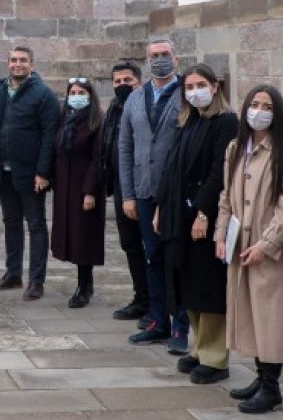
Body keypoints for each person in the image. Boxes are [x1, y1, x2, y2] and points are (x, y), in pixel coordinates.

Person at [214, 84, 283, 414]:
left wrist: (267, 244)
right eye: (254, 104)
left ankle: (271, 387)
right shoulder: (235, 148)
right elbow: (226, 196)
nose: (259, 111)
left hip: (271, 247)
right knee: (251, 316)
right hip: (240, 243)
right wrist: (220, 235)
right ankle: (261, 377)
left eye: (267, 107)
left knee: (272, 318)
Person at [155, 63, 237, 385]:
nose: (194, 92)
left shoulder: (225, 122)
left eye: (200, 85)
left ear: (214, 87)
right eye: (189, 87)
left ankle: (215, 358)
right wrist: (161, 206)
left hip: (205, 215)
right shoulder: (188, 120)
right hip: (179, 215)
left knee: (208, 286)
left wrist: (203, 212)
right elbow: (171, 167)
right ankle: (200, 348)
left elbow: (220, 172)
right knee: (187, 284)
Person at [120, 38, 187, 350]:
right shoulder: (135, 98)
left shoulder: (187, 94)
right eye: (154, 55)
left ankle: (181, 326)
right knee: (153, 256)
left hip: (176, 193)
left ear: (176, 59)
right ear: (147, 61)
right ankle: (158, 321)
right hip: (144, 190)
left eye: (165, 54)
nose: (160, 59)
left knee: (178, 259)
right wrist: (128, 194)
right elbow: (125, 146)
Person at [0, 45, 60, 301]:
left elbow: (50, 136)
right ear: (8, 63)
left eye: (23, 60)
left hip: (31, 175)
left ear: (32, 64)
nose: (18, 64)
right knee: (11, 222)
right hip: (4, 172)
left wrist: (43, 172)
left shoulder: (43, 95)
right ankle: (13, 274)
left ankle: (36, 281)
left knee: (36, 225)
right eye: (14, 60)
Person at [51, 76, 104, 309]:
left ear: (90, 96)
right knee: (72, 235)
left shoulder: (96, 121)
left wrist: (90, 191)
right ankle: (82, 282)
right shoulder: (65, 119)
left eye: (81, 93)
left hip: (85, 187)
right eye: (73, 93)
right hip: (66, 186)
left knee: (84, 237)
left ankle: (85, 285)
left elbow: (97, 158)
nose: (76, 97)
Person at [102, 61, 149, 324]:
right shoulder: (114, 107)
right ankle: (141, 298)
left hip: (142, 187)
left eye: (127, 80)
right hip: (122, 187)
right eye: (117, 81)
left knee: (150, 247)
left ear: (138, 82)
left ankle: (156, 303)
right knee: (130, 245)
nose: (122, 85)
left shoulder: (145, 106)